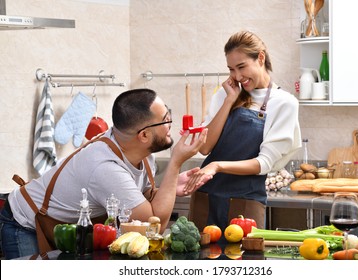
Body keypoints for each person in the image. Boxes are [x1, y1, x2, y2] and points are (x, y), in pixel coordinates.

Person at [0, 88, 209, 259]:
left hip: (64, 228)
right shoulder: (106, 168)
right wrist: (175, 164)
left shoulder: (139, 150)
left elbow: (144, 204)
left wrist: (169, 186)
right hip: (24, 223)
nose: (171, 124)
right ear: (144, 135)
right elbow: (153, 227)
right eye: (166, 119)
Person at [186, 30, 301, 232]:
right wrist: (229, 100)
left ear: (261, 58)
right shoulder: (226, 93)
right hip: (206, 197)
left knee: (245, 261)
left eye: (241, 67)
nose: (237, 76)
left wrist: (217, 166)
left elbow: (263, 163)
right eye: (231, 69)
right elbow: (204, 148)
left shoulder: (284, 103)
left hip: (246, 204)